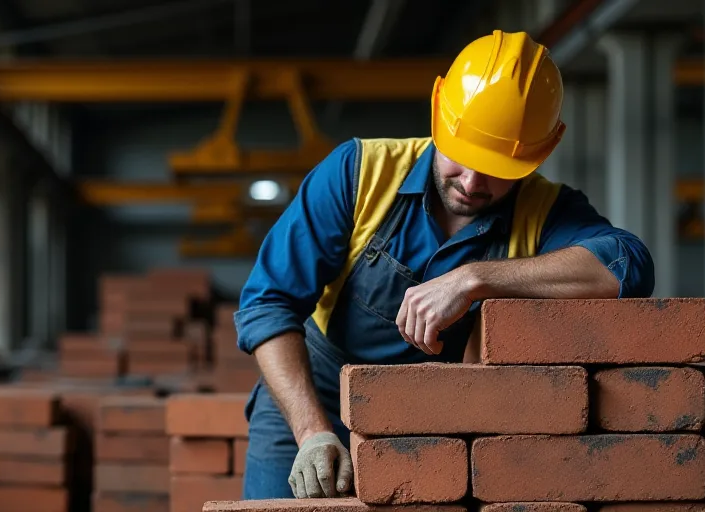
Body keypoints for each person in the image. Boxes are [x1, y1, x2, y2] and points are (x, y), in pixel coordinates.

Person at [232, 30, 655, 500]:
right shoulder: (359, 172)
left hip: (435, 412)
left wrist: (475, 279)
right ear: (438, 114)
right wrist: (312, 433)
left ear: (542, 151)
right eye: (464, 155)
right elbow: (267, 303)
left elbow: (626, 264)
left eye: (499, 168)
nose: (473, 182)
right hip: (315, 395)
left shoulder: (547, 211)